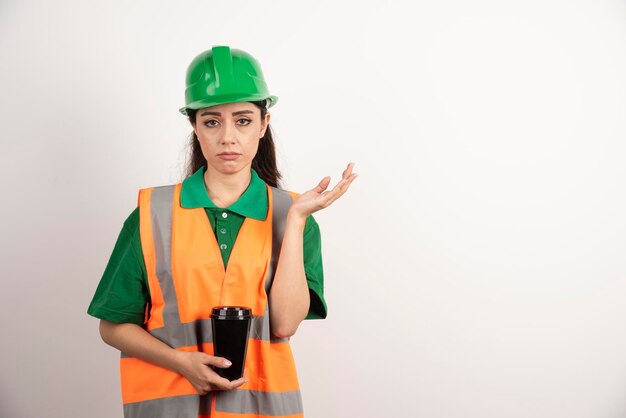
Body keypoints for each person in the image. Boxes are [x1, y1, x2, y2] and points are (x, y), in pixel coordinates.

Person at [87, 45, 358, 418]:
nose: (228, 137)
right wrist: (181, 363)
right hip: (173, 407)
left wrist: (294, 222)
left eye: (243, 120)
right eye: (212, 121)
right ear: (194, 126)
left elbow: (285, 323)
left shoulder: (295, 215)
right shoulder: (152, 216)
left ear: (264, 124)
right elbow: (113, 325)